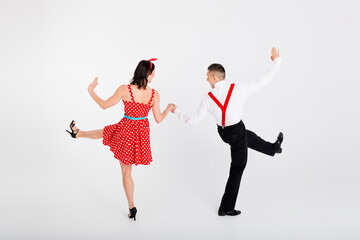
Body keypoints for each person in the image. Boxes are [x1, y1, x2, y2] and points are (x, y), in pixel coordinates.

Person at [171, 48, 283, 216]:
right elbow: (263, 80)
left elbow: (193, 120)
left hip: (224, 133)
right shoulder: (239, 88)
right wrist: (276, 62)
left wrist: (176, 111)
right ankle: (226, 207)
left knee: (248, 136)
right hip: (236, 132)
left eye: (207, 75)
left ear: (215, 78)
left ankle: (273, 148)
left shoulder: (208, 97)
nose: (206, 78)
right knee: (238, 168)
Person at [66, 58, 174, 221]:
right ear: (147, 73)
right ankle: (78, 133)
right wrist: (168, 108)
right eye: (153, 74)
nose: (154, 77)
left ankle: (132, 206)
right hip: (140, 133)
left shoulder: (125, 89)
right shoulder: (154, 94)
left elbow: (103, 105)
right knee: (107, 132)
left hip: (127, 129)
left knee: (125, 169)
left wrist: (91, 90)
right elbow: (158, 119)